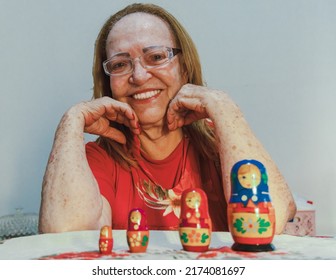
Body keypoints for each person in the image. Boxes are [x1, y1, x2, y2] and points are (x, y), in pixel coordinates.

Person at [38, 3, 296, 234]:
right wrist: (71, 120)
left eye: (157, 57)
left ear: (184, 68)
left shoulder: (222, 144)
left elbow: (273, 219)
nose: (139, 76)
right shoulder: (99, 159)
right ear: (108, 84)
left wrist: (224, 107)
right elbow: (66, 237)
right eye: (119, 65)